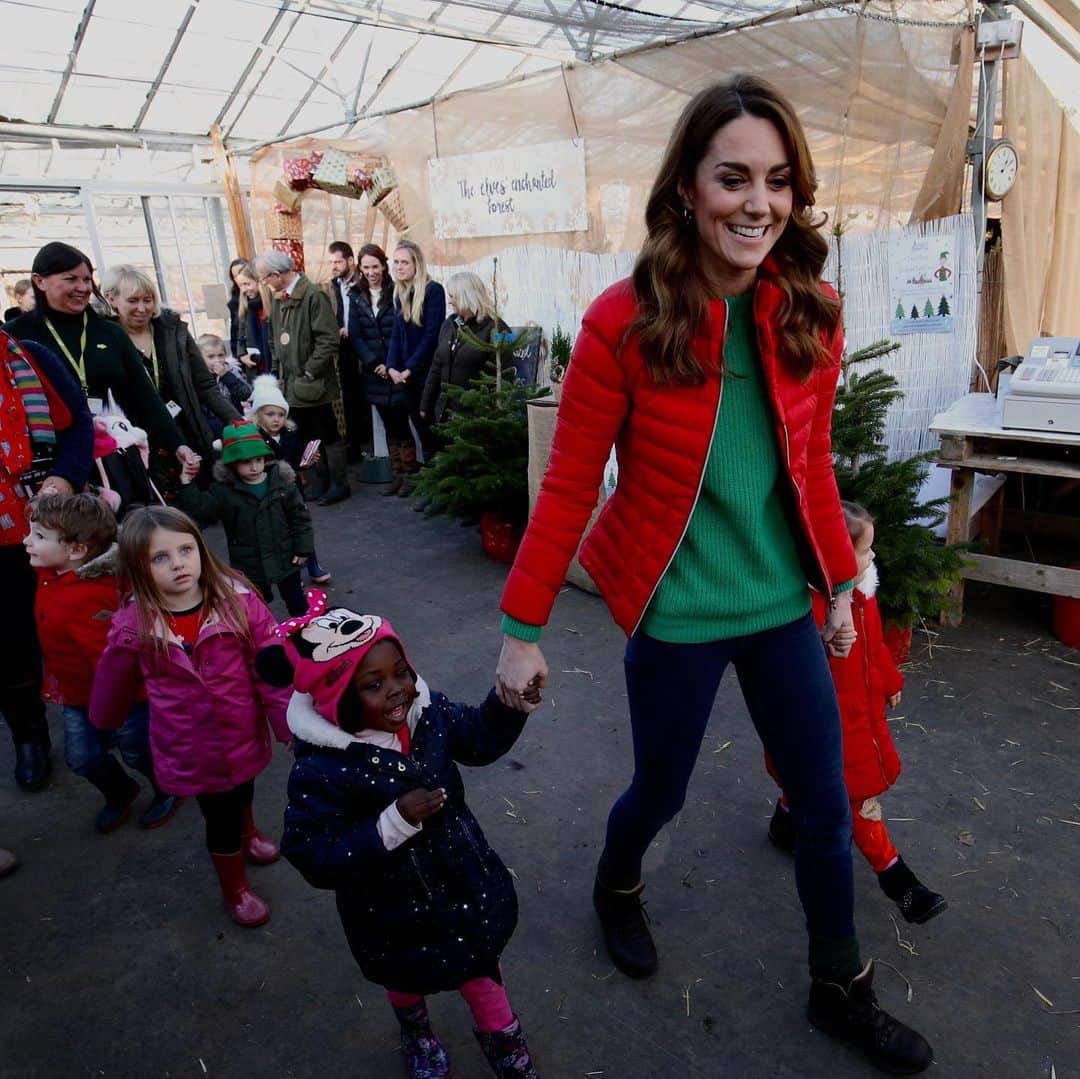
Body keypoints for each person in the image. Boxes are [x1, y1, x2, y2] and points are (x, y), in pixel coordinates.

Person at [493, 76, 933, 1074]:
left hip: (780, 603)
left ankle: (840, 982)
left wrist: (838, 591)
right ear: (687, 187)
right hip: (677, 610)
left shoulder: (810, 310)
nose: (758, 202)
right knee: (662, 788)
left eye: (778, 182)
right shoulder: (625, 320)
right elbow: (567, 486)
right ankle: (616, 880)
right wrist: (521, 628)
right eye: (733, 176)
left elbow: (812, 469)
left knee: (824, 801)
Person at [274, 601, 540, 1079]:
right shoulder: (321, 770)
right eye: (373, 685)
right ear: (336, 701)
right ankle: (416, 1032)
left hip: (463, 887)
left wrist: (508, 704)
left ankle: (508, 1050)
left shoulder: (427, 713)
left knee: (481, 972)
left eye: (401, 672)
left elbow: (478, 739)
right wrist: (391, 823)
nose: (397, 690)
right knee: (403, 978)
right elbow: (313, 855)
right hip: (389, 913)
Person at [90, 505, 291, 927]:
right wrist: (102, 721)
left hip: (242, 731)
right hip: (190, 746)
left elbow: (269, 665)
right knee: (218, 816)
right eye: (159, 557)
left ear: (200, 548)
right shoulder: (134, 624)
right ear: (137, 568)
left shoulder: (238, 600)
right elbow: (114, 679)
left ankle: (249, 832)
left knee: (244, 791)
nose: (178, 564)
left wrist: (287, 723)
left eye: (185, 549)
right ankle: (234, 887)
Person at [767, 502, 948, 925]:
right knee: (854, 794)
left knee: (814, 779)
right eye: (866, 551)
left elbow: (875, 646)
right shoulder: (806, 609)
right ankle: (898, 881)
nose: (872, 559)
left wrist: (889, 681)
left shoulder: (862, 594)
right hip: (827, 720)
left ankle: (785, 819)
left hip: (861, 712)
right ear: (835, 556)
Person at [24, 493, 181, 832]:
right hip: (77, 692)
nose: (27, 541)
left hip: (123, 697)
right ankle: (121, 791)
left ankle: (169, 786)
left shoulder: (95, 595)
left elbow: (114, 660)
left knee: (137, 749)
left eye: (38, 536)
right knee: (81, 757)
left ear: (76, 550)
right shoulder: (52, 570)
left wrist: (115, 705)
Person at [6, 243, 195, 475]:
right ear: (39, 281)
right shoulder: (16, 337)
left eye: (87, 279)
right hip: (56, 462)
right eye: (71, 279)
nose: (82, 288)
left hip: (118, 454)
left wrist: (177, 443)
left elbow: (144, 395)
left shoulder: (110, 333)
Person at [0, 327, 94, 791]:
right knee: (9, 644)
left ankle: (111, 717)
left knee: (84, 619)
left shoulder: (29, 355)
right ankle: (30, 735)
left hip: (50, 522)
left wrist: (65, 477)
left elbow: (78, 419)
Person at [100, 264, 240, 487]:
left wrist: (239, 423)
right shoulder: (103, 339)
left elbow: (206, 386)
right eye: (133, 301)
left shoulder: (173, 331)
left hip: (187, 432)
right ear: (111, 299)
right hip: (141, 441)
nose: (142, 308)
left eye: (148, 300)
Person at [175, 423, 313, 618]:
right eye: (246, 462)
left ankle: (307, 634)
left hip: (285, 556)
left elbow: (300, 517)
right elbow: (202, 508)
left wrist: (303, 546)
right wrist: (186, 483)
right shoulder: (224, 491)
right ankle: (266, 639)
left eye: (258, 459)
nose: (255, 466)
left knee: (296, 600)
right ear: (232, 463)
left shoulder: (281, 483)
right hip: (250, 565)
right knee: (256, 607)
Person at [252, 250, 350, 506]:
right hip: (290, 384)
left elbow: (329, 339)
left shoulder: (313, 296)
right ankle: (320, 480)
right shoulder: (278, 300)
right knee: (305, 433)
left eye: (265, 278)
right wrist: (276, 373)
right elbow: (274, 340)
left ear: (277, 275)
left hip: (312, 383)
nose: (264, 283)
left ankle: (339, 483)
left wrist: (310, 371)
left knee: (326, 432)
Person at [249, 374, 331, 586]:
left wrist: (307, 460)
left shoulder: (291, 433)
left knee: (301, 525)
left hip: (294, 490)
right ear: (258, 415)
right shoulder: (255, 438)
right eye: (270, 414)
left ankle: (312, 563)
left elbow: (296, 461)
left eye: (280, 414)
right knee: (281, 532)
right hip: (271, 492)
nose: (276, 419)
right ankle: (291, 571)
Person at [387, 239, 445, 487]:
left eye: (404, 262)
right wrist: (391, 366)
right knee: (421, 431)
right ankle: (433, 486)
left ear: (416, 264)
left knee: (432, 431)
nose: (399, 267)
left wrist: (409, 367)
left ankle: (442, 486)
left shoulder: (433, 291)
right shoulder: (400, 293)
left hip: (426, 375)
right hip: (406, 377)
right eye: (396, 262)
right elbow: (396, 335)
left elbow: (432, 335)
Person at [420, 271, 512, 427]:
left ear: (466, 296)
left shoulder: (499, 329)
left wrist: (494, 413)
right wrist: (425, 404)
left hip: (476, 419)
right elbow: (436, 366)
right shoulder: (449, 325)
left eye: (452, 296)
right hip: (444, 415)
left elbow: (504, 375)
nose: (450, 301)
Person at [347, 244, 402, 494]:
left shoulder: (396, 291)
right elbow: (356, 336)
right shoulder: (355, 295)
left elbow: (399, 332)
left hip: (397, 367)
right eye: (366, 267)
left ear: (384, 265)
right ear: (360, 268)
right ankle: (397, 475)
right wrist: (374, 364)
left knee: (403, 422)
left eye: (375, 266)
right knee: (388, 424)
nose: (371, 272)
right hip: (374, 371)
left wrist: (390, 364)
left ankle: (411, 476)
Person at [324, 240, 371, 460]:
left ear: (350, 261)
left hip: (365, 344)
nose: (334, 266)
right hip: (344, 348)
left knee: (367, 394)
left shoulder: (363, 283)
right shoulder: (333, 286)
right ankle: (354, 445)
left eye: (338, 261)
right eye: (331, 261)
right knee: (350, 396)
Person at [197, 333, 252, 414]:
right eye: (211, 356)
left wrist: (226, 375)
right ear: (200, 357)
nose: (217, 360)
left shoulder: (231, 370)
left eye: (220, 355)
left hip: (233, 417)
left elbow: (246, 394)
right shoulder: (198, 376)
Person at [234, 262, 273, 375]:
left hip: (274, 368)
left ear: (259, 282)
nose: (244, 290)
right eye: (241, 286)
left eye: (247, 284)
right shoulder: (246, 307)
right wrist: (242, 355)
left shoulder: (274, 305)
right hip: (255, 370)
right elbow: (240, 337)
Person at [226, 258, 248, 361]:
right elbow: (234, 330)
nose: (238, 278)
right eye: (235, 276)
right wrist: (237, 356)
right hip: (242, 352)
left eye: (240, 273)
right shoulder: (234, 301)